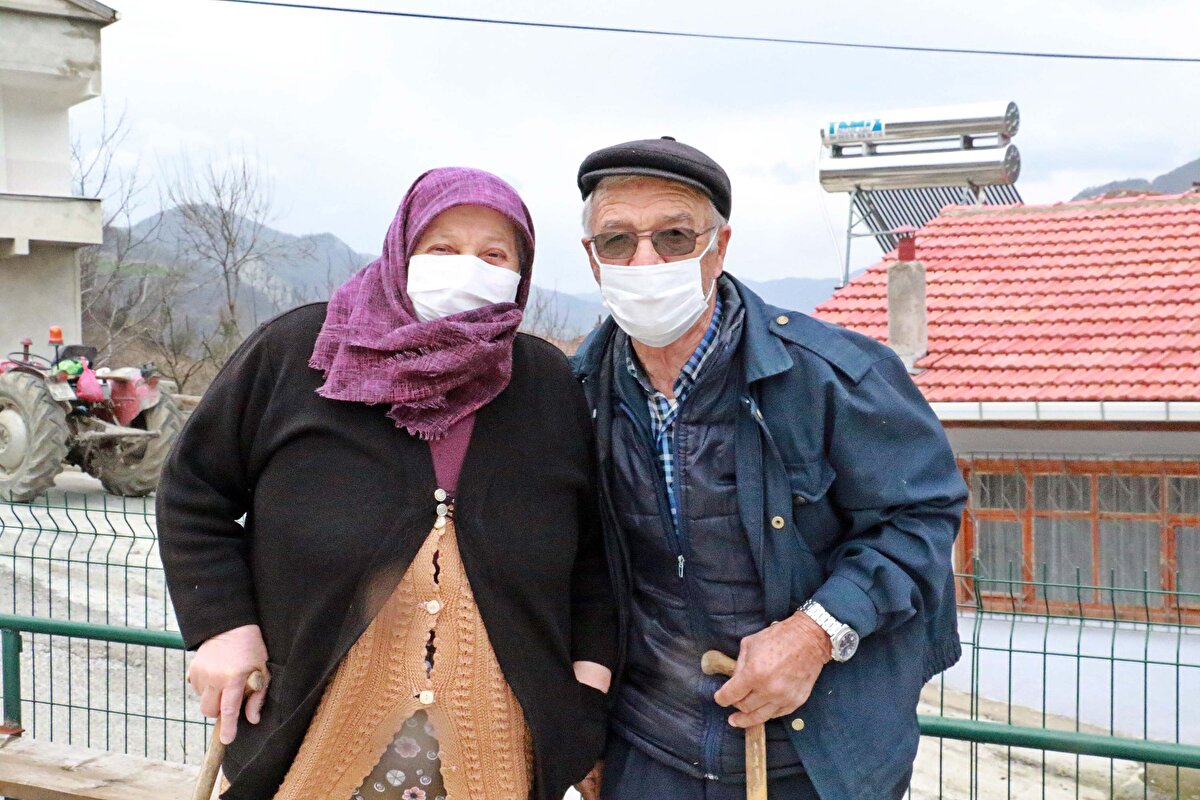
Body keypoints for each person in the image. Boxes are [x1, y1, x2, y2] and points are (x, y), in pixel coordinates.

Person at [158, 167, 616, 800]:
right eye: (443, 248)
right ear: (402, 251)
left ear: (521, 271)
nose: (468, 269)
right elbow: (193, 492)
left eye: (493, 255)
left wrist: (584, 695)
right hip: (314, 727)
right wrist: (221, 626)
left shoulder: (545, 383)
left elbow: (594, 556)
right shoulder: (303, 352)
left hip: (497, 746)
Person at [570, 137, 967, 800]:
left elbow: (921, 516)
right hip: (647, 754)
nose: (645, 260)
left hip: (815, 759)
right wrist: (577, 724)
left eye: (673, 235)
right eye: (617, 241)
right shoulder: (577, 394)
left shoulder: (834, 377)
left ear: (718, 246)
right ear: (592, 259)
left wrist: (817, 630)